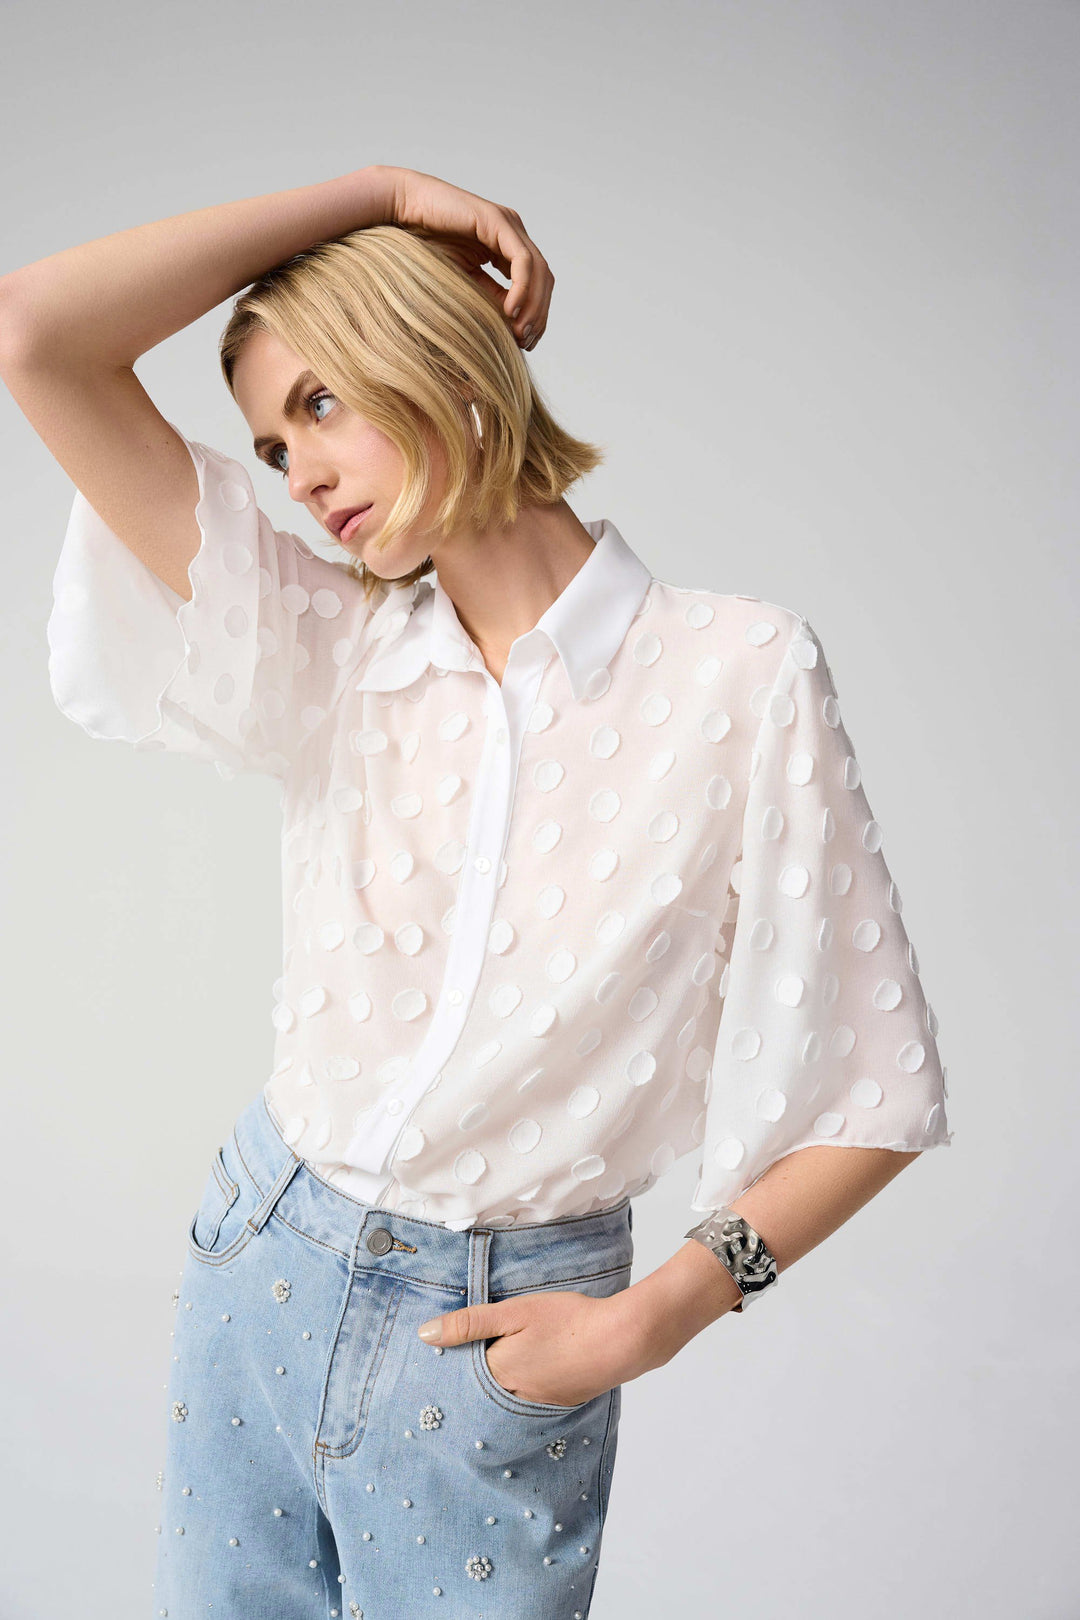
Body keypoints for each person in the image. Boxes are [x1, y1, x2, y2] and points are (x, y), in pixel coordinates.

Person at [0, 164, 952, 1619]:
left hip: (499, 1337)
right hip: (263, 1266)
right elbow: (38, 335)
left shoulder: (740, 675)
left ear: (442, 355)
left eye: (322, 403)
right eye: (271, 444)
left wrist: (657, 1319)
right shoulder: (329, 646)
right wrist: (375, 186)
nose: (300, 475)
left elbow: (876, 1091)